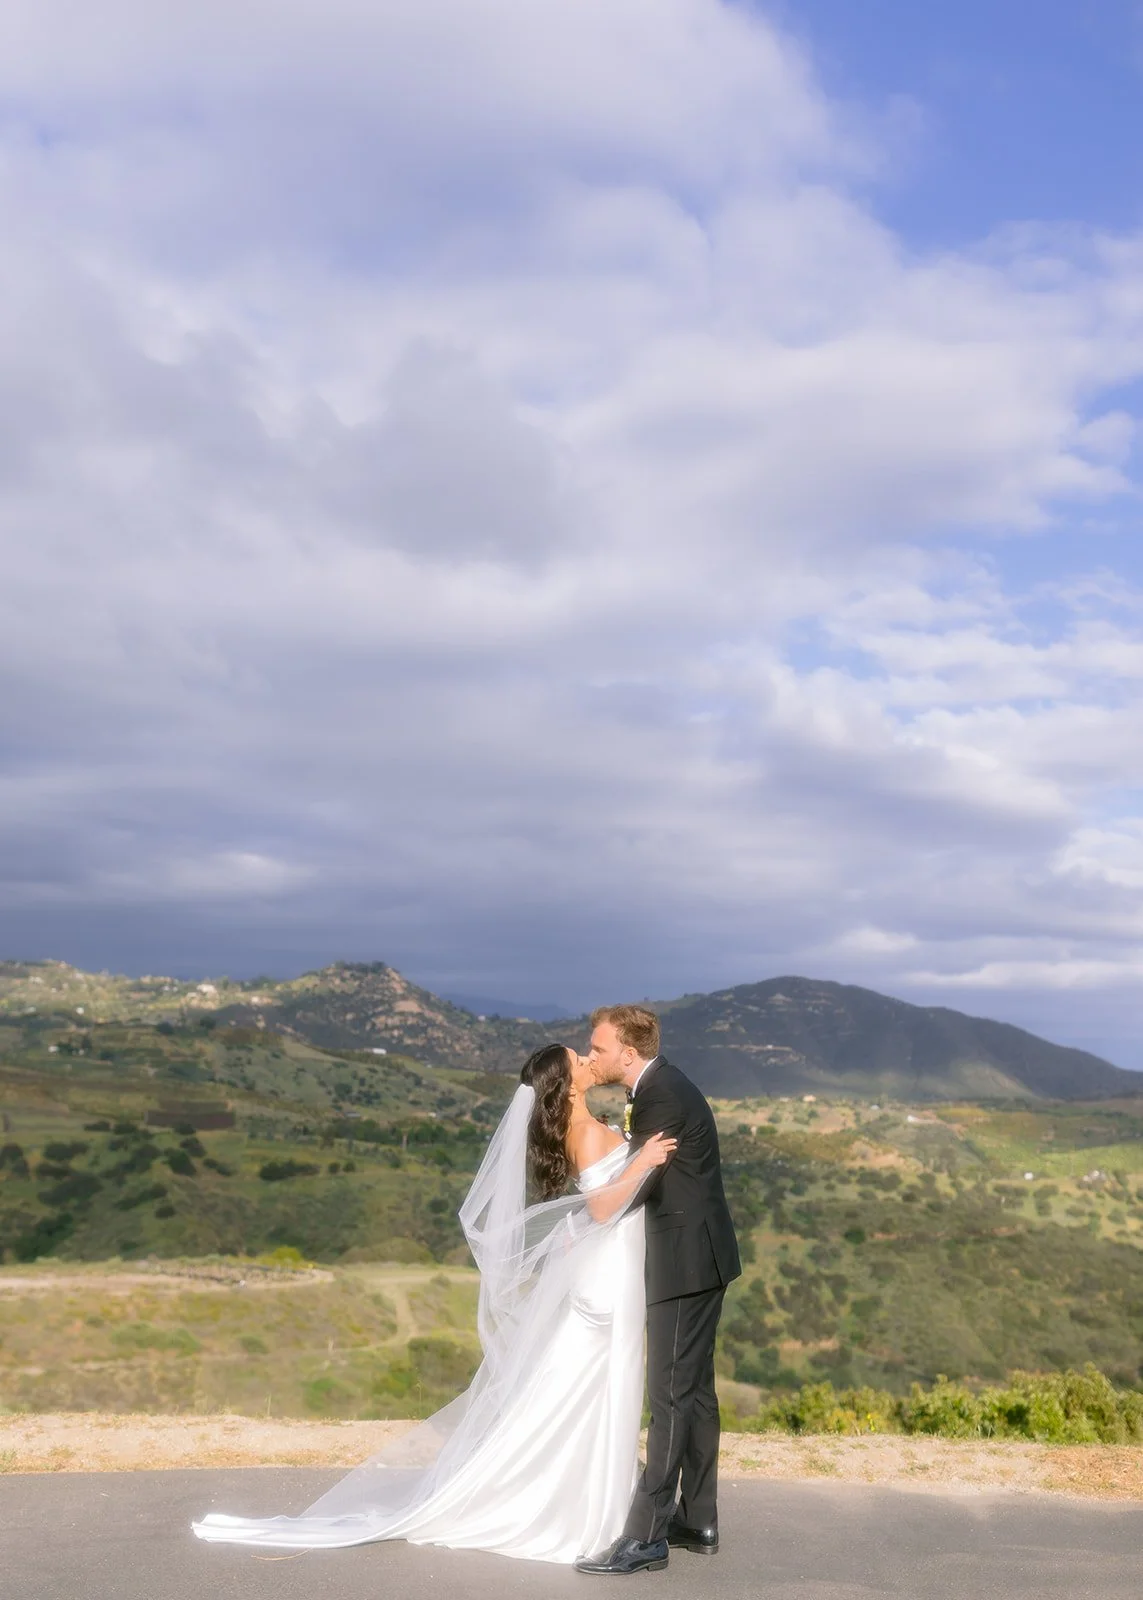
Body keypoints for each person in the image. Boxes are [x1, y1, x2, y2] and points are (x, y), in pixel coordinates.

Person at [192, 1042, 675, 1565]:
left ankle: (598, 1498)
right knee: (592, 1383)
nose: (585, 1058)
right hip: (606, 1274)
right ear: (570, 1083)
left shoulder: (581, 1126)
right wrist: (643, 1160)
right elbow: (604, 1208)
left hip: (610, 1267)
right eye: (577, 1059)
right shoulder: (582, 1131)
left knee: (587, 1385)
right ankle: (581, 1506)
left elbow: (588, 1205)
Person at [574, 1004, 741, 1577]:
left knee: (670, 1395)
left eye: (598, 1048)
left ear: (628, 1050)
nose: (593, 1056)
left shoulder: (660, 1094)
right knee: (694, 1393)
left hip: (682, 1263)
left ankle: (646, 1536)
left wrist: (587, 1224)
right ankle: (698, 1520)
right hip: (702, 1258)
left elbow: (639, 1184)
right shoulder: (662, 1087)